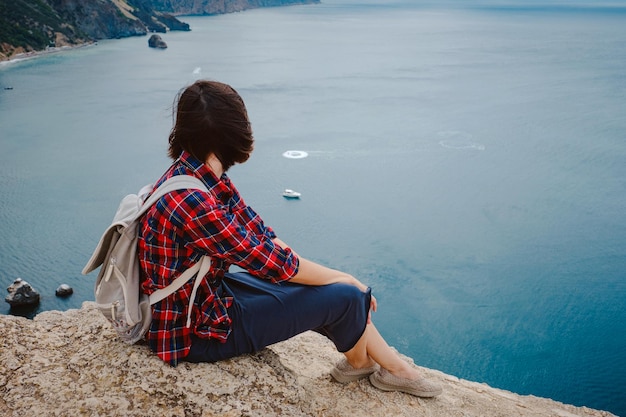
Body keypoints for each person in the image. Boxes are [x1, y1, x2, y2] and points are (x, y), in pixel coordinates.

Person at [137, 80, 442, 398]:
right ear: (235, 133)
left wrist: (335, 281)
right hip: (193, 333)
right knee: (346, 294)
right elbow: (273, 264)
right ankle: (380, 366)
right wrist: (348, 281)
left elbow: (262, 236)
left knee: (329, 288)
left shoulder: (194, 174)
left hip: (204, 298)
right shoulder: (193, 201)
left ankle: (371, 363)